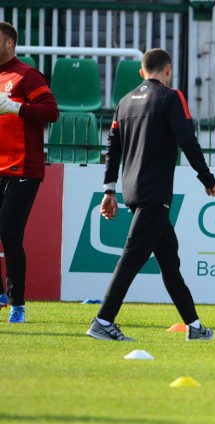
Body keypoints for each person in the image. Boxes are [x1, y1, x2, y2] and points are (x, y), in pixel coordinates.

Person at [86, 48, 215, 342]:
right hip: (155, 193)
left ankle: (194, 326)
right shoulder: (171, 97)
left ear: (141, 72)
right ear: (168, 70)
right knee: (132, 258)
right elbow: (187, 139)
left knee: (169, 261)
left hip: (133, 191)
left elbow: (113, 151)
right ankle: (103, 320)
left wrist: (109, 191)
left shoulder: (123, 103)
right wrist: (207, 178)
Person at [0, 22, 59, 324]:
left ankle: (17, 303)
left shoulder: (26, 75)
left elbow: (51, 111)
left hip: (22, 167)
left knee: (9, 232)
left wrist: (16, 108)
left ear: (9, 42)